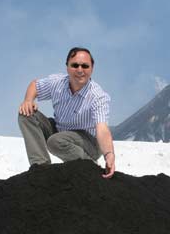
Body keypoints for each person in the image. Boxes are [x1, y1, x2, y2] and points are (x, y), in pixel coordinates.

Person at [18, 47, 115, 178]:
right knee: (26, 113)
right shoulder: (57, 83)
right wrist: (28, 100)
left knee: (55, 141)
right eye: (75, 65)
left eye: (85, 66)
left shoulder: (98, 96)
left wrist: (109, 154)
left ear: (92, 69)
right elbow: (35, 85)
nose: (80, 70)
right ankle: (41, 167)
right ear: (67, 67)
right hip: (60, 130)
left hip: (89, 141)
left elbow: (102, 128)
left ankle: (89, 165)